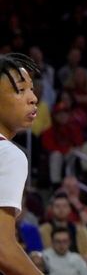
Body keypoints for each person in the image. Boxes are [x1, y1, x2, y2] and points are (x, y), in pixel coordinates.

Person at [0, 53, 43, 275]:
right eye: (20, 90)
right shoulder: (7, 154)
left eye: (32, 89)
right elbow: (2, 249)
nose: (33, 98)